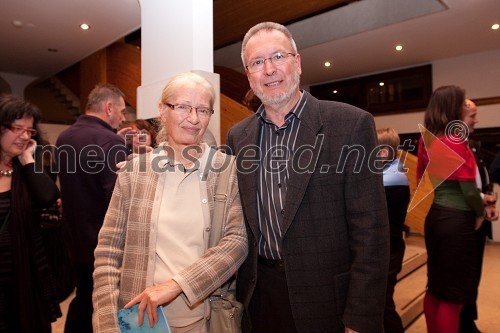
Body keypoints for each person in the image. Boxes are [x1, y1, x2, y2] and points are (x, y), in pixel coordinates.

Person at [226, 22, 389, 333]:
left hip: (330, 301)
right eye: (257, 62)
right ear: (249, 75)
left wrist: (360, 319)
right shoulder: (238, 136)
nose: (269, 69)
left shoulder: (350, 124)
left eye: (278, 56)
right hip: (260, 296)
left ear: (297, 62)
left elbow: (372, 234)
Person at [92, 72, 248, 332]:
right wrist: (107, 324)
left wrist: (176, 285)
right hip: (139, 322)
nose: (194, 119)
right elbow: (108, 254)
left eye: (203, 110)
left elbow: (236, 242)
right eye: (183, 107)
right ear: (162, 110)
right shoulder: (134, 172)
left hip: (202, 320)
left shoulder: (226, 170)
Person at [417, 85, 497, 333]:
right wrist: (481, 213)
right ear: (452, 107)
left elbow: (425, 178)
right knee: (453, 298)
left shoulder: (426, 139)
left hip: (437, 218)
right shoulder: (453, 140)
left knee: (436, 290)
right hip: (455, 223)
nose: (466, 108)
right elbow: (467, 189)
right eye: (462, 104)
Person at [56, 83, 128, 333]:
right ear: (108, 107)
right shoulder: (110, 140)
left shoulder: (64, 137)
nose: (122, 117)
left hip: (73, 238)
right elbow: (117, 198)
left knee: (83, 297)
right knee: (99, 305)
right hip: (102, 241)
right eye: (120, 110)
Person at [0, 95, 61, 332]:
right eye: (17, 129)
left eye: (30, 131)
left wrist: (26, 159)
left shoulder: (27, 170)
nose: (25, 136)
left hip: (23, 279)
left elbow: (48, 197)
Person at [459, 99, 499, 333]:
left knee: (474, 274)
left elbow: (485, 177)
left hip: (479, 220)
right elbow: (462, 188)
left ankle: (468, 319)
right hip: (464, 222)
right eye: (472, 115)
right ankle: (463, 322)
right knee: (464, 276)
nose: (476, 120)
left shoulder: (473, 146)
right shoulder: (449, 147)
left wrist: (489, 200)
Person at [376, 128, 410, 333]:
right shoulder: (394, 171)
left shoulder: (390, 180)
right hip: (391, 246)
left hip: (388, 249)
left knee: (383, 304)